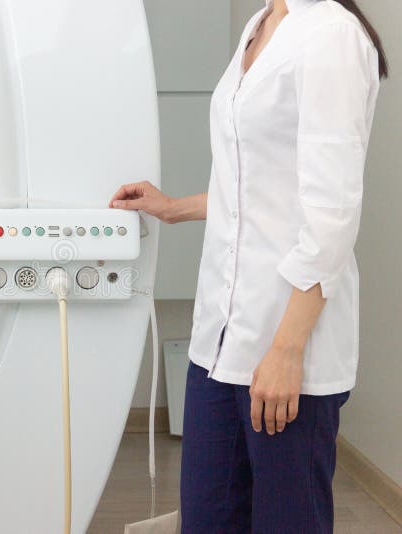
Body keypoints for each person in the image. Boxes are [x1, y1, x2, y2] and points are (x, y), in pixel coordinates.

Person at [110, 0, 386, 532]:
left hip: (286, 351)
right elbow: (254, 187)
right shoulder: (260, 24)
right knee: (207, 521)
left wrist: (285, 350)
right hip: (217, 343)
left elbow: (330, 217)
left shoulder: (331, 33)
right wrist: (174, 207)